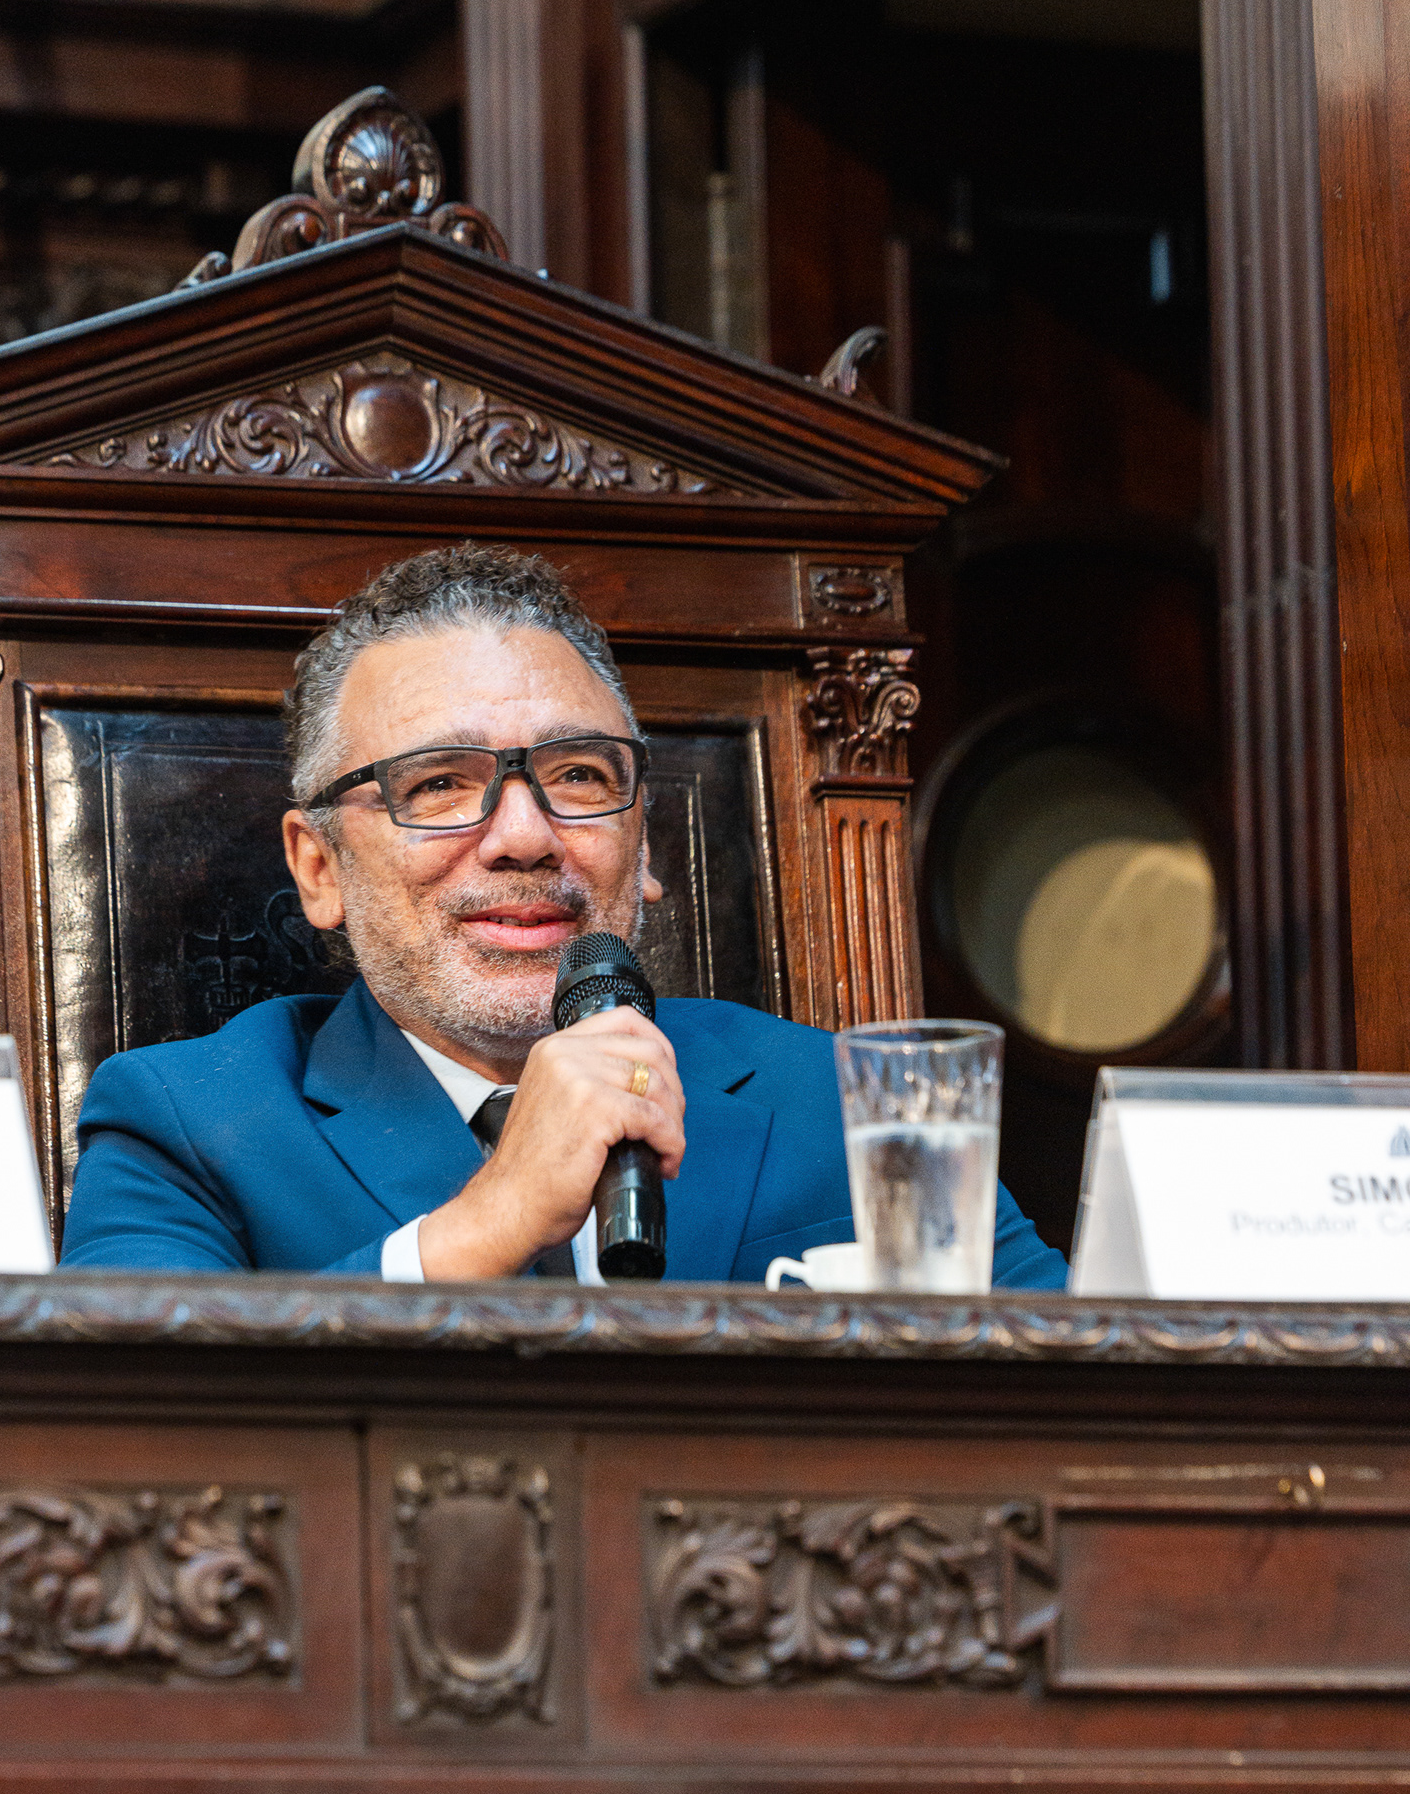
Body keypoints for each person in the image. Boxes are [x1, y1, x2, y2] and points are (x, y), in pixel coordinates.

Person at [60, 545, 1068, 1287]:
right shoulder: (184, 1126)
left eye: (579, 774)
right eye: (439, 784)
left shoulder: (846, 1103)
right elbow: (130, 1440)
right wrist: (488, 1223)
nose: (525, 835)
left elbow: (1081, 1397)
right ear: (319, 867)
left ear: (644, 843)